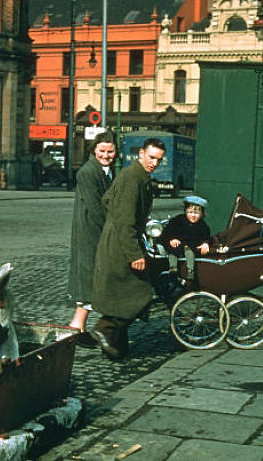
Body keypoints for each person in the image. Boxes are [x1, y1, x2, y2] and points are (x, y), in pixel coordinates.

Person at [90, 137, 166, 360]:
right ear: (141, 153)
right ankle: (104, 330)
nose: (154, 163)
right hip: (121, 246)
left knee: (118, 294)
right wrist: (134, 254)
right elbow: (125, 220)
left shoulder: (137, 176)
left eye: (159, 160)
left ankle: (116, 347)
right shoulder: (132, 178)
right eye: (151, 157)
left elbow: (106, 201)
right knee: (139, 293)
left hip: (117, 241)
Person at [68, 131, 117, 347]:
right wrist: (113, 229)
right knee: (88, 277)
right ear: (94, 150)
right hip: (91, 232)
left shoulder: (107, 170)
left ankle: (77, 326)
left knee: (92, 279)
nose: (106, 155)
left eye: (110, 151)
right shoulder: (88, 172)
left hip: (98, 231)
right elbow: (96, 209)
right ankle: (77, 328)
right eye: (102, 151)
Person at [161, 196, 211, 278]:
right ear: (185, 211)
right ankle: (173, 268)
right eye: (190, 212)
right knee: (172, 251)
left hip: (191, 246)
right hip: (178, 245)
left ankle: (190, 270)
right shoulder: (178, 220)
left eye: (196, 213)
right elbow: (169, 230)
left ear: (202, 214)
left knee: (190, 252)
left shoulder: (202, 225)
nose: (193, 216)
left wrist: (205, 243)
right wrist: (172, 239)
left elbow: (206, 236)